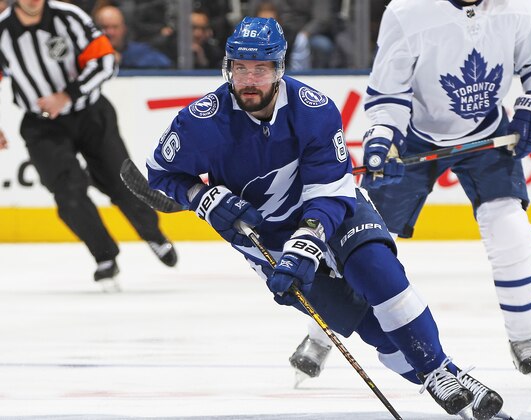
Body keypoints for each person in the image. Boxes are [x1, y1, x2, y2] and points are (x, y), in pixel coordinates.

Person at [146, 16, 510, 420]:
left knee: (380, 274)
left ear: (279, 69)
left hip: (333, 211)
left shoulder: (312, 110)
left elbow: (328, 190)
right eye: (240, 67)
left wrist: (310, 238)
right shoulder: (201, 121)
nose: (249, 79)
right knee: (371, 329)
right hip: (264, 239)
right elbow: (159, 173)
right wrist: (202, 196)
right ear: (227, 68)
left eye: (261, 69)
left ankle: (439, 370)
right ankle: (447, 373)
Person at [291, 0, 531, 385]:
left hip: (488, 134)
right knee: (358, 244)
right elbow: (388, 94)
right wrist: (383, 141)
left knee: (512, 230)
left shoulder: (518, 7)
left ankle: (524, 336)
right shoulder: (407, 12)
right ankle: (319, 334)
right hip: (413, 139)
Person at [0, 0, 177, 292]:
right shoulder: (4, 31)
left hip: (90, 113)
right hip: (42, 124)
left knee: (122, 181)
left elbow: (106, 61)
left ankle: (153, 234)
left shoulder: (68, 17)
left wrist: (67, 95)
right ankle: (104, 256)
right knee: (68, 192)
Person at [93, 4, 173, 69]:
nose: (110, 32)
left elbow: (164, 62)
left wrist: (122, 59)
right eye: (105, 27)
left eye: (115, 27)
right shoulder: (89, 53)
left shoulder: (137, 51)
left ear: (124, 28)